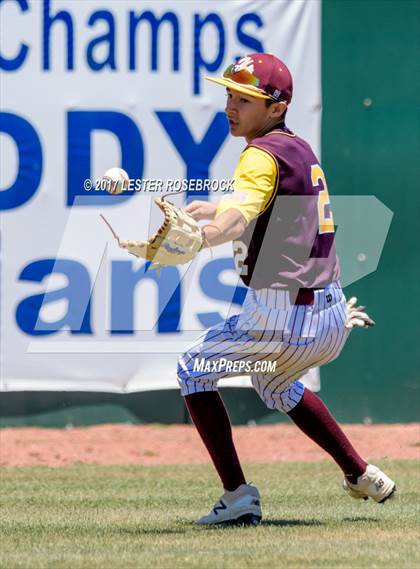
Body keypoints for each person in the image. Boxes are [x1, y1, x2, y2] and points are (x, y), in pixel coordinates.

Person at [177, 53, 395, 526]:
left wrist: (205, 235)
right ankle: (360, 474)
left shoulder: (258, 154)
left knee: (193, 369)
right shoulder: (297, 149)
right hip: (330, 316)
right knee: (274, 383)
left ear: (276, 107)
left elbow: (244, 214)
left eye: (245, 99)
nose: (231, 107)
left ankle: (237, 498)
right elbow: (266, 206)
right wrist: (216, 210)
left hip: (282, 318)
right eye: (230, 96)